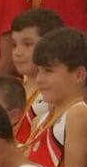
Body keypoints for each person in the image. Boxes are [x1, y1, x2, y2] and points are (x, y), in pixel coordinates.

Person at [9, 8, 65, 144]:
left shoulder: (56, 95)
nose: (17, 52)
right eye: (14, 45)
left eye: (27, 44)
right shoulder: (10, 90)